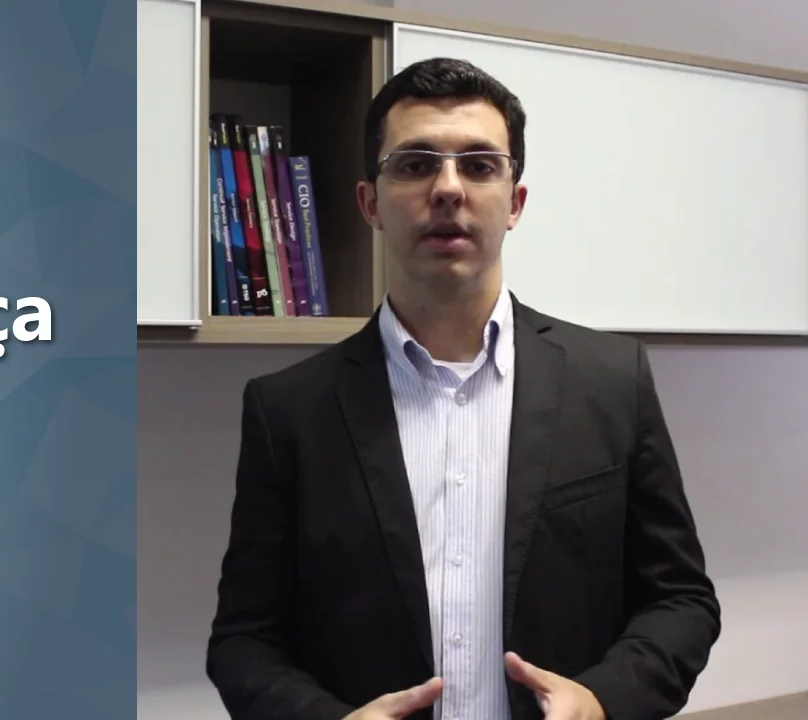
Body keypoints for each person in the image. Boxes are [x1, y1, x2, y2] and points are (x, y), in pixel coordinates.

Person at [204, 57, 721, 720]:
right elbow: (244, 642)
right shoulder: (288, 411)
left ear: (515, 203)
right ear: (370, 203)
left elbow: (681, 601)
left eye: (479, 165)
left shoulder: (613, 382)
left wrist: (601, 700)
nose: (448, 188)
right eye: (416, 164)